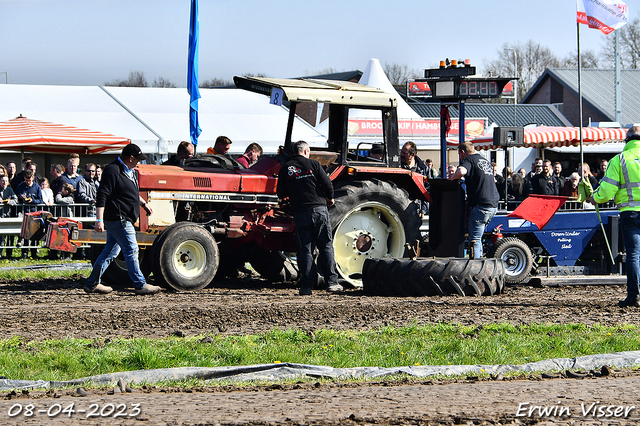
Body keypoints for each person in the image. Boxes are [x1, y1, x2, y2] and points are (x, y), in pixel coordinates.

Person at [84, 144, 160, 295]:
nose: (139, 162)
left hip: (121, 218)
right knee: (132, 249)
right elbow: (102, 195)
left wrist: (143, 204)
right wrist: (99, 220)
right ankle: (140, 284)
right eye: (137, 159)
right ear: (131, 158)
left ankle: (91, 283)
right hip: (119, 218)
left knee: (110, 252)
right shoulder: (113, 170)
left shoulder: (129, 171)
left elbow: (129, 192)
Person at [277, 140, 342, 295]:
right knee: (325, 246)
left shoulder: (286, 168)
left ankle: (306, 287)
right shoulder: (314, 164)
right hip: (319, 210)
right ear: (306, 151)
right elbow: (327, 184)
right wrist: (330, 198)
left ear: (294, 152)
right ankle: (332, 283)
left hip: (300, 212)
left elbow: (281, 193)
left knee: (305, 249)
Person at [589, 126, 640, 307]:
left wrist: (594, 198)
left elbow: (607, 190)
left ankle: (634, 296)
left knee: (634, 255)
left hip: (630, 213)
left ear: (627, 140)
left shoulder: (619, 160)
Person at [448, 141, 499, 259]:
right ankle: (480, 261)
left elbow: (461, 171)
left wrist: (452, 178)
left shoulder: (468, 160)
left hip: (480, 206)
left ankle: (476, 268)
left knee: (474, 239)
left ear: (462, 152)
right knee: (478, 237)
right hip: (493, 205)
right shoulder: (484, 160)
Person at [400, 141, 429, 215]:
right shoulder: (397, 166)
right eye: (401, 152)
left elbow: (426, 189)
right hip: (400, 205)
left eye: (405, 153)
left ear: (412, 155)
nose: (401, 155)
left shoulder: (423, 169)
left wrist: (423, 209)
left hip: (416, 208)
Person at [0, 175, 17, 259]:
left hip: (7, 215)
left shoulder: (10, 190)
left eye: (6, 181)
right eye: (3, 181)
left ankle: (9, 254)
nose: (4, 183)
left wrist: (9, 201)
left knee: (9, 236)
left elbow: (16, 200)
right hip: (0, 215)